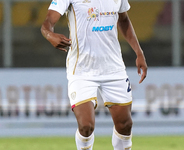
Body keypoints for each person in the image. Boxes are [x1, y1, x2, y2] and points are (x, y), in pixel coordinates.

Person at [41, 0, 147, 149]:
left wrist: (139, 52)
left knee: (125, 124)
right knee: (86, 126)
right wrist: (49, 35)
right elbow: (48, 21)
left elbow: (124, 19)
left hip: (113, 67)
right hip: (82, 70)